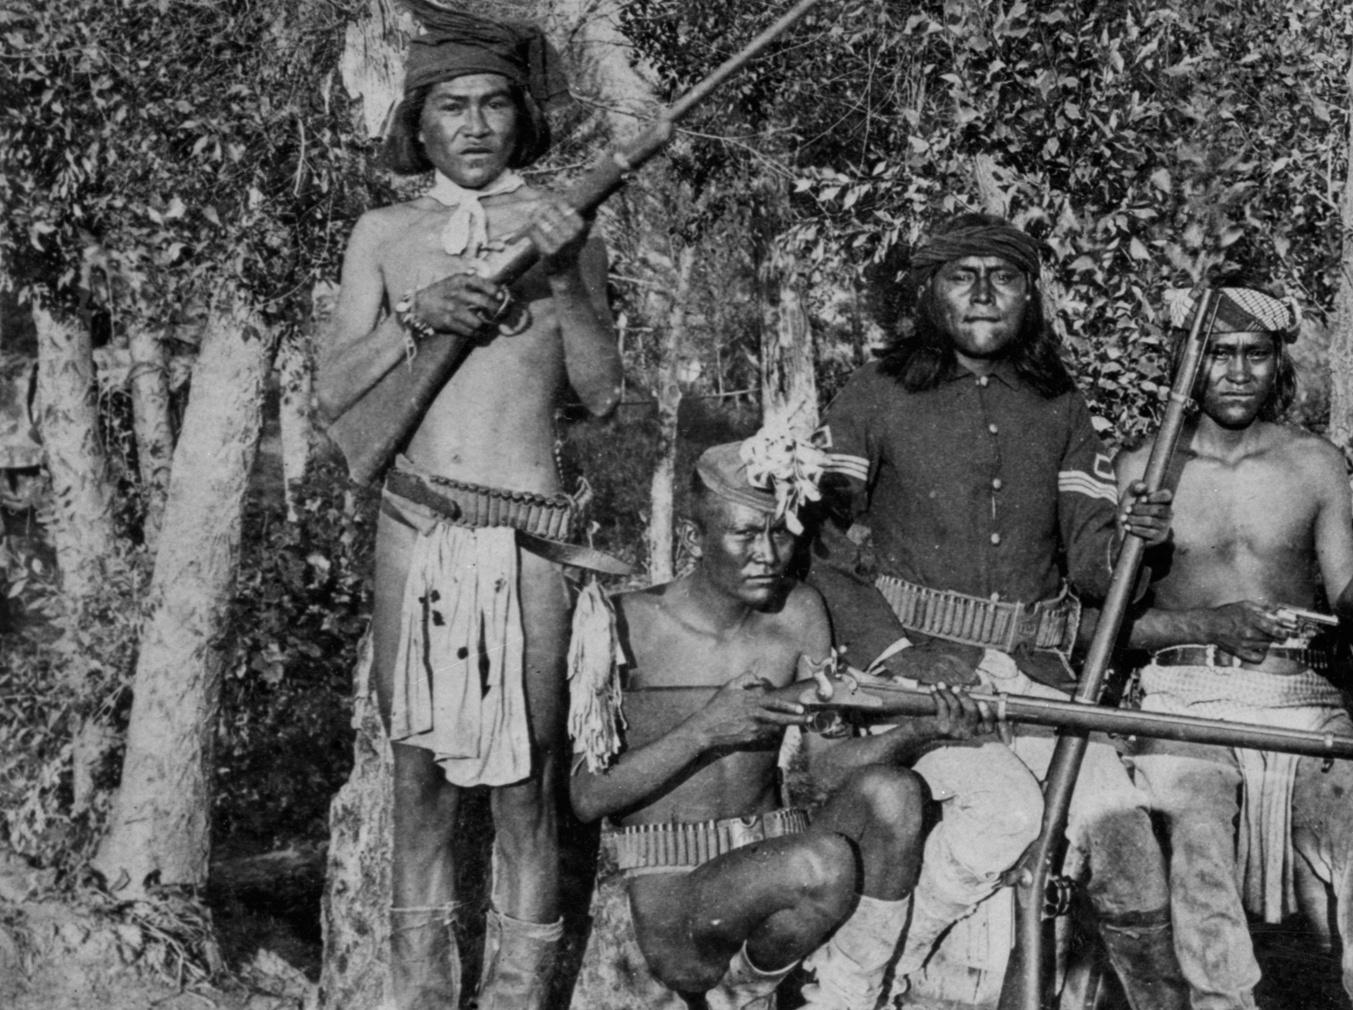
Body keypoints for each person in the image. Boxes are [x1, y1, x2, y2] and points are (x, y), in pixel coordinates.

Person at [315, 8, 624, 1009]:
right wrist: (418, 315)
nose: (477, 124)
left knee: (526, 779)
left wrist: (566, 271)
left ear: (521, 118)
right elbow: (335, 390)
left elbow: (603, 390)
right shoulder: (385, 234)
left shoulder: (562, 227)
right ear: (421, 122)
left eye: (496, 103)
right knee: (418, 775)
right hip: (416, 522)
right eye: (453, 105)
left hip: (528, 535)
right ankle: (417, 993)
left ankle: (518, 994)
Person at [809, 212, 1185, 1007]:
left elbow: (1092, 563)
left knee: (1123, 836)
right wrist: (896, 658)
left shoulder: (1060, 405)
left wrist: (1133, 546)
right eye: (961, 276)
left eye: (1004, 277)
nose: (983, 295)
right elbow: (828, 551)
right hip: (917, 673)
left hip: (1040, 680)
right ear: (928, 292)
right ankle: (856, 980)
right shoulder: (873, 396)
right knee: (1004, 812)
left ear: (1030, 296)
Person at [1119, 287, 1353, 1010]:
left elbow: (1352, 606)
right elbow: (1115, 625)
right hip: (1183, 699)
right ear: (1187, 363)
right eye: (1218, 354)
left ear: (1278, 363)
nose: (1236, 372)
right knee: (1196, 845)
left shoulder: (1314, 464)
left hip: (1302, 698)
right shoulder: (1143, 471)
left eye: (1255, 354)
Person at [569, 437, 949, 1010]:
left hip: (778, 852)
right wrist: (706, 728)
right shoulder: (626, 623)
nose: (768, 554)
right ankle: (740, 999)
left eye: (779, 531)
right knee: (821, 864)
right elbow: (585, 796)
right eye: (744, 534)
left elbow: (826, 769)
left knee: (895, 795)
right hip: (677, 885)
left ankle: (847, 995)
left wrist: (920, 730)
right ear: (696, 538)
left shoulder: (798, 613)